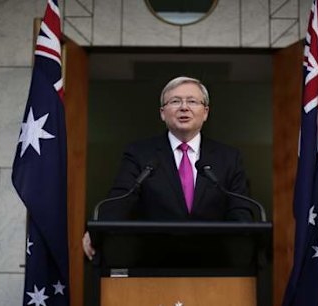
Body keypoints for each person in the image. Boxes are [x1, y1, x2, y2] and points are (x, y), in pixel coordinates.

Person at [83, 76, 254, 260]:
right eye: (175, 101)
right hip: (153, 263)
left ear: (205, 112)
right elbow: (120, 199)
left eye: (192, 101)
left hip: (214, 264)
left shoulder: (228, 157)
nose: (184, 107)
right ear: (163, 113)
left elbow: (241, 211)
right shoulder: (140, 154)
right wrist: (98, 230)